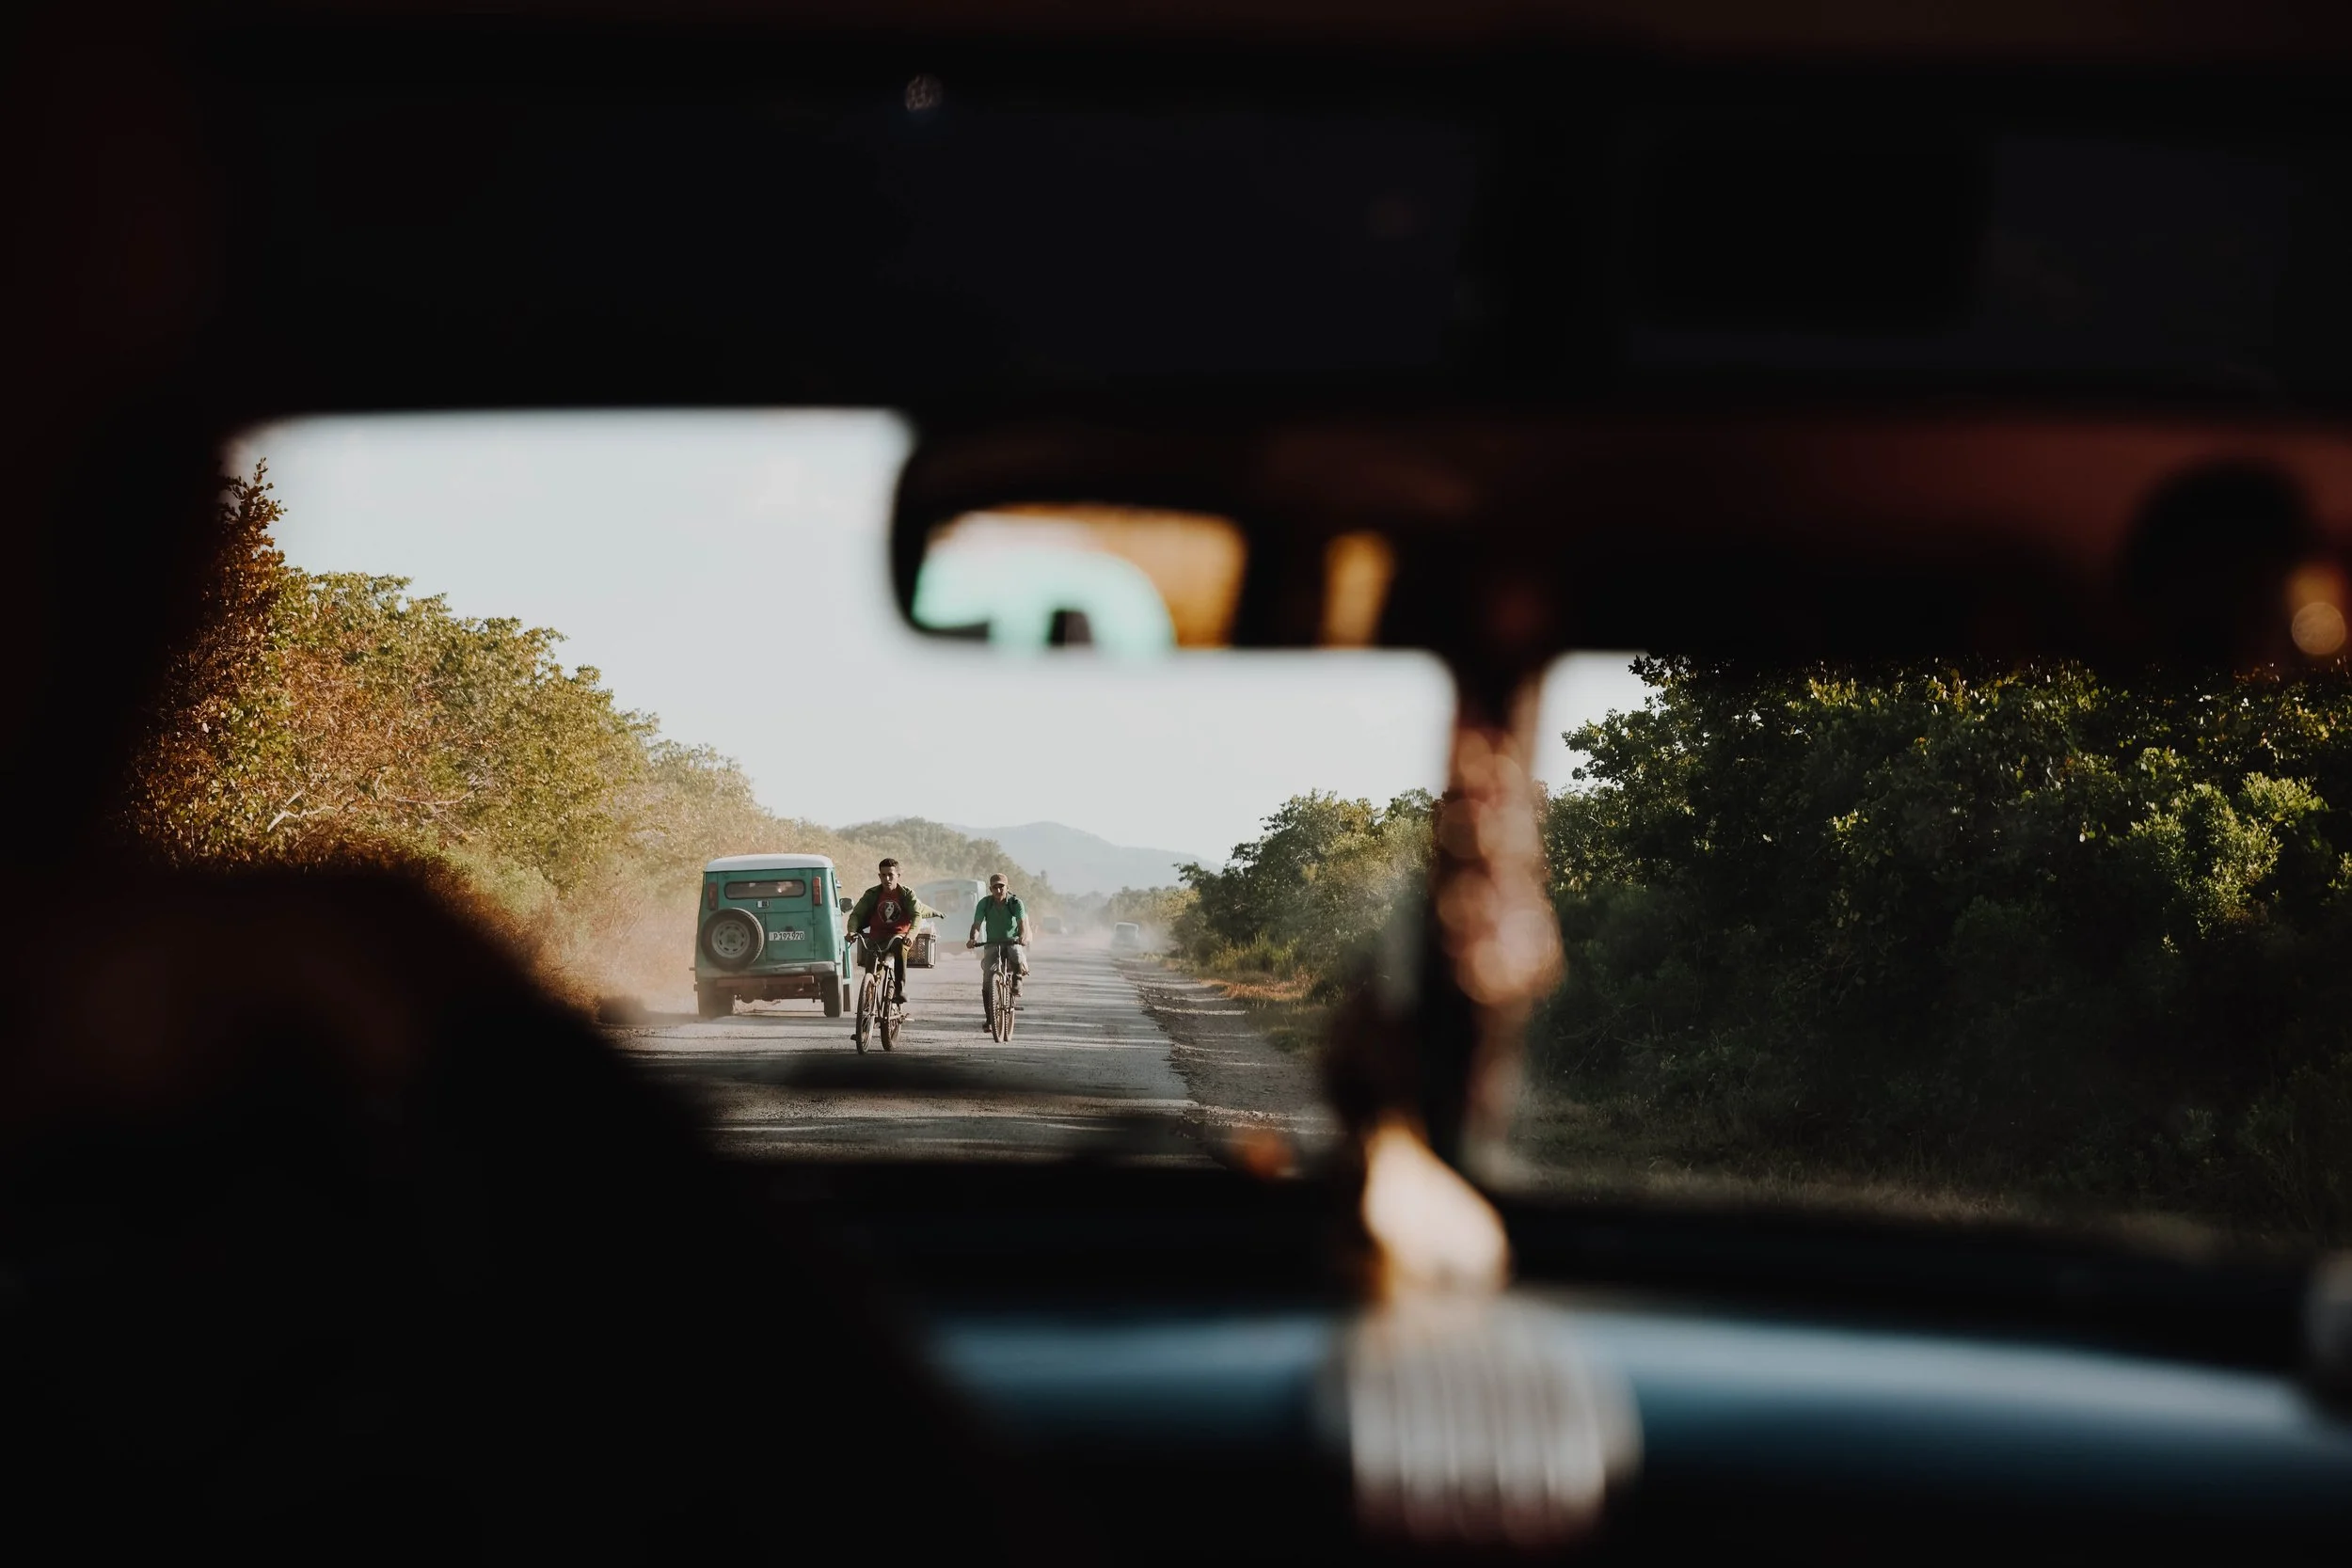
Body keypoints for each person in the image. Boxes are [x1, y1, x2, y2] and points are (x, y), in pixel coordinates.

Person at [845, 859, 933, 1020]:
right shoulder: (872, 894)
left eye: (891, 875)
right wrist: (851, 931)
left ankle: (899, 990)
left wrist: (910, 936)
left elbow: (916, 916)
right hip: (876, 937)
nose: (887, 879)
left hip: (898, 936)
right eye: (883, 875)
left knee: (899, 946)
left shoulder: (907, 894)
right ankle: (867, 1009)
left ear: (898, 875)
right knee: (871, 971)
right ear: (879, 876)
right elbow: (856, 915)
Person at [966, 872, 1030, 1031]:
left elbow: (1022, 924)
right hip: (992, 944)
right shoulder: (985, 903)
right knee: (987, 981)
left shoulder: (1016, 903)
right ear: (990, 889)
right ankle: (989, 1019)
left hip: (1012, 941)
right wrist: (972, 938)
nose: (998, 890)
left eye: (1001, 886)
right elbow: (977, 924)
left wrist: (1022, 937)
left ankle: (1017, 979)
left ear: (1007, 888)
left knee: (1016, 953)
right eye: (995, 887)